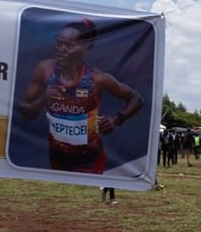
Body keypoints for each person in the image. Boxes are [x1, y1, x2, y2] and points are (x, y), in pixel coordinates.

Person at [18, 18, 144, 174]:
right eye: (59, 43)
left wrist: (117, 119)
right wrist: (45, 98)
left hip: (90, 159)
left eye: (69, 45)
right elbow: (24, 113)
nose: (61, 49)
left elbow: (136, 99)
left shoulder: (97, 79)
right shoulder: (46, 70)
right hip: (56, 157)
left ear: (85, 48)